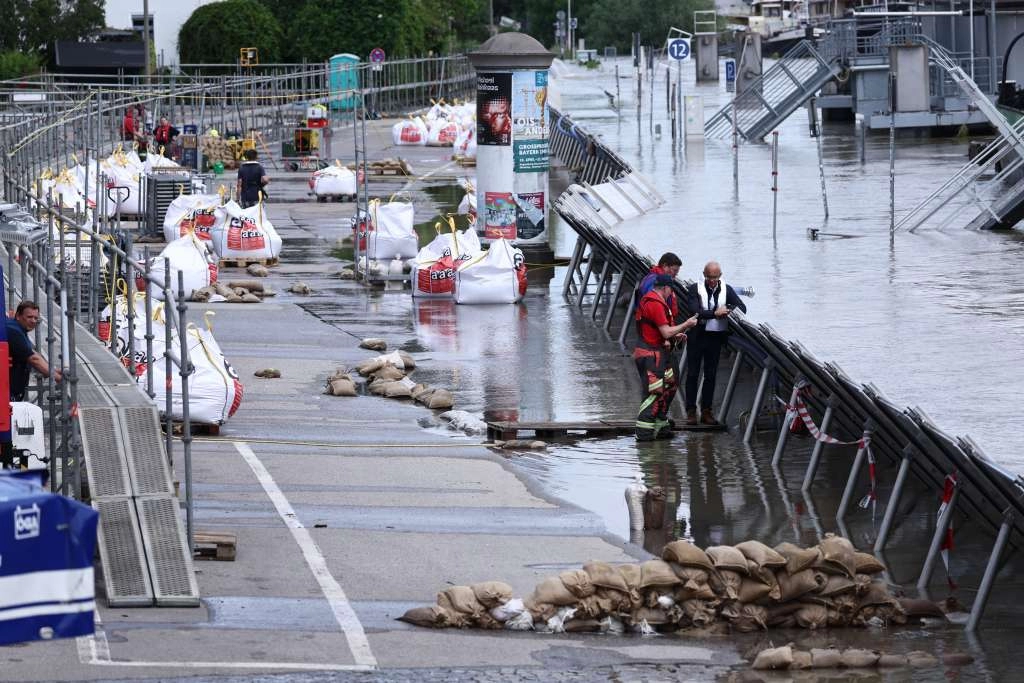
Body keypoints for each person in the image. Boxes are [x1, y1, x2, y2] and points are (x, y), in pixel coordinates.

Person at [633, 274, 698, 441]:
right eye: (671, 290)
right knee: (654, 393)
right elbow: (665, 331)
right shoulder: (655, 304)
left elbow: (662, 332)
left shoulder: (655, 301)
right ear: (665, 288)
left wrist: (676, 336)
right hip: (651, 356)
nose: (672, 293)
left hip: (660, 353)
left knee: (670, 386)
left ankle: (661, 426)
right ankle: (644, 435)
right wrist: (686, 325)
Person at [684, 261, 747, 425]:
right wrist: (714, 314)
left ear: (720, 276)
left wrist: (728, 310)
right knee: (692, 374)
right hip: (697, 336)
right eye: (710, 277)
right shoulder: (694, 289)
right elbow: (695, 311)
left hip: (715, 337)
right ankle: (691, 411)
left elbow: (742, 307)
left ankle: (707, 411)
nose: (713, 281)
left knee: (710, 375)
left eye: (716, 277)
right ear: (704, 275)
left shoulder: (726, 288)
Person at [6, 301, 62, 401]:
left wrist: (53, 370)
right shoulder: (14, 331)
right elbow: (33, 359)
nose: (33, 321)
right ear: (18, 316)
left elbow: (32, 353)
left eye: (36, 318)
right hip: (7, 392)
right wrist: (59, 379)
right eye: (29, 317)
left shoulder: (18, 328)